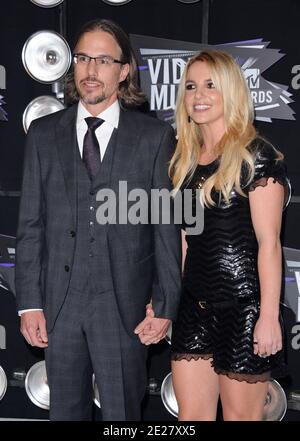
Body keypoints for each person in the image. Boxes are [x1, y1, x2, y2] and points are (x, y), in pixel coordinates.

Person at [15, 19, 181, 421]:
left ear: (124, 71)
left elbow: (166, 227)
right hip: (59, 305)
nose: (91, 70)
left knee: (122, 415)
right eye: (84, 58)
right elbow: (30, 226)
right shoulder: (42, 134)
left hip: (123, 307)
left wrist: (164, 305)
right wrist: (29, 304)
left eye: (104, 60)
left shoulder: (154, 138)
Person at [149, 49, 290, 420]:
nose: (199, 95)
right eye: (192, 86)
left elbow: (269, 243)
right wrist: (167, 301)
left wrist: (269, 315)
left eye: (211, 85)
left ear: (230, 91)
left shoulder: (256, 156)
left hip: (244, 310)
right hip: (194, 307)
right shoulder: (184, 160)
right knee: (189, 418)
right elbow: (183, 241)